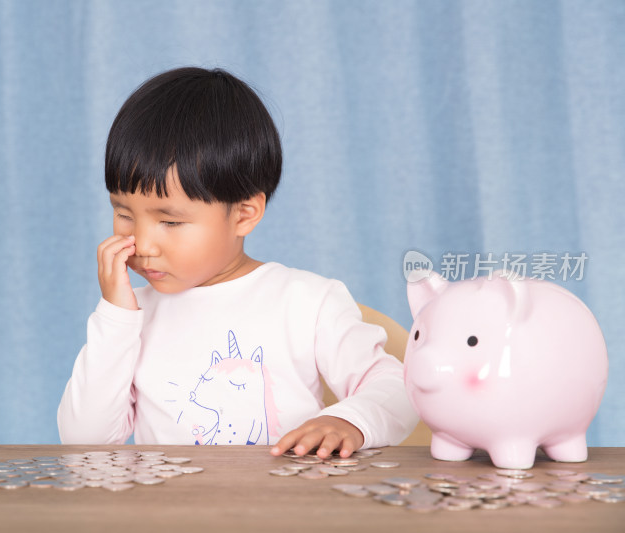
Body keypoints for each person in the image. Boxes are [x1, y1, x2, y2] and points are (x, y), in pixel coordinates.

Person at [57, 67, 418, 458]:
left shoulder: (307, 301)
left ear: (245, 213)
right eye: (124, 213)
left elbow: (399, 387)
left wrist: (349, 421)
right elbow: (84, 439)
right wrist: (115, 317)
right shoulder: (132, 317)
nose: (142, 243)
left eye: (170, 221)